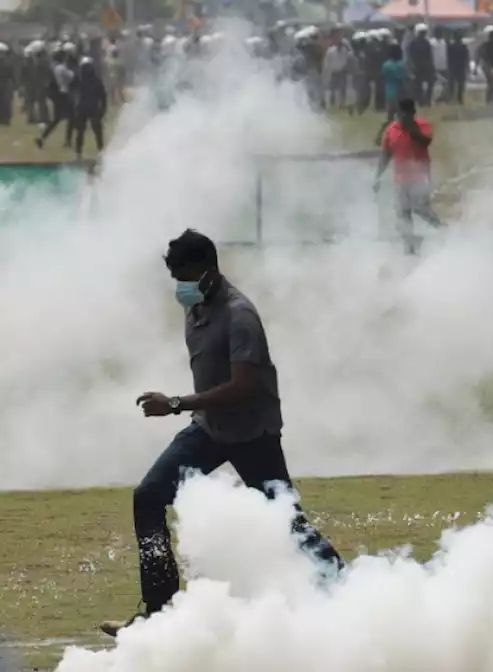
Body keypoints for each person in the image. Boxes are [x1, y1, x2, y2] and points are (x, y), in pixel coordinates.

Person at [99, 230, 344, 637]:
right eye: (175, 277)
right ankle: (159, 613)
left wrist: (174, 404)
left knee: (288, 524)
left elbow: (244, 385)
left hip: (252, 434)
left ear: (210, 271)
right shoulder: (195, 309)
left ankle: (347, 594)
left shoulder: (240, 315)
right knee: (148, 497)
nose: (180, 286)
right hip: (209, 429)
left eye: (186, 276)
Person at [374, 98, 444, 255]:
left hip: (420, 178)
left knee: (421, 209)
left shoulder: (422, 126)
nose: (401, 117)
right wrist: (377, 176)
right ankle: (409, 248)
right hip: (400, 180)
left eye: (405, 114)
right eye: (399, 114)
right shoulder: (391, 131)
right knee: (403, 214)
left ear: (413, 113)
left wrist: (411, 129)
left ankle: (445, 232)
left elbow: (426, 142)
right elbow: (385, 155)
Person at [380, 44, 408, 124]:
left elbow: (383, 77)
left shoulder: (386, 65)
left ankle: (390, 133)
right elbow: (404, 78)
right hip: (400, 93)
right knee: (401, 117)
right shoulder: (401, 65)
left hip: (389, 93)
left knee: (390, 117)